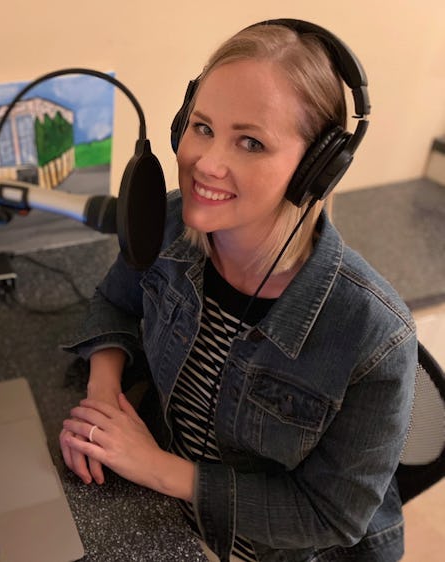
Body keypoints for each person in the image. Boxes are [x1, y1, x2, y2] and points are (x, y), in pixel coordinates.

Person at [59, 19, 417, 562]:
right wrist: (102, 396)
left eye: (250, 142)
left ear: (317, 169)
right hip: (163, 513)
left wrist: (157, 467)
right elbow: (115, 301)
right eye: (202, 127)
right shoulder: (173, 222)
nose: (206, 162)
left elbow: (329, 517)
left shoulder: (374, 335)